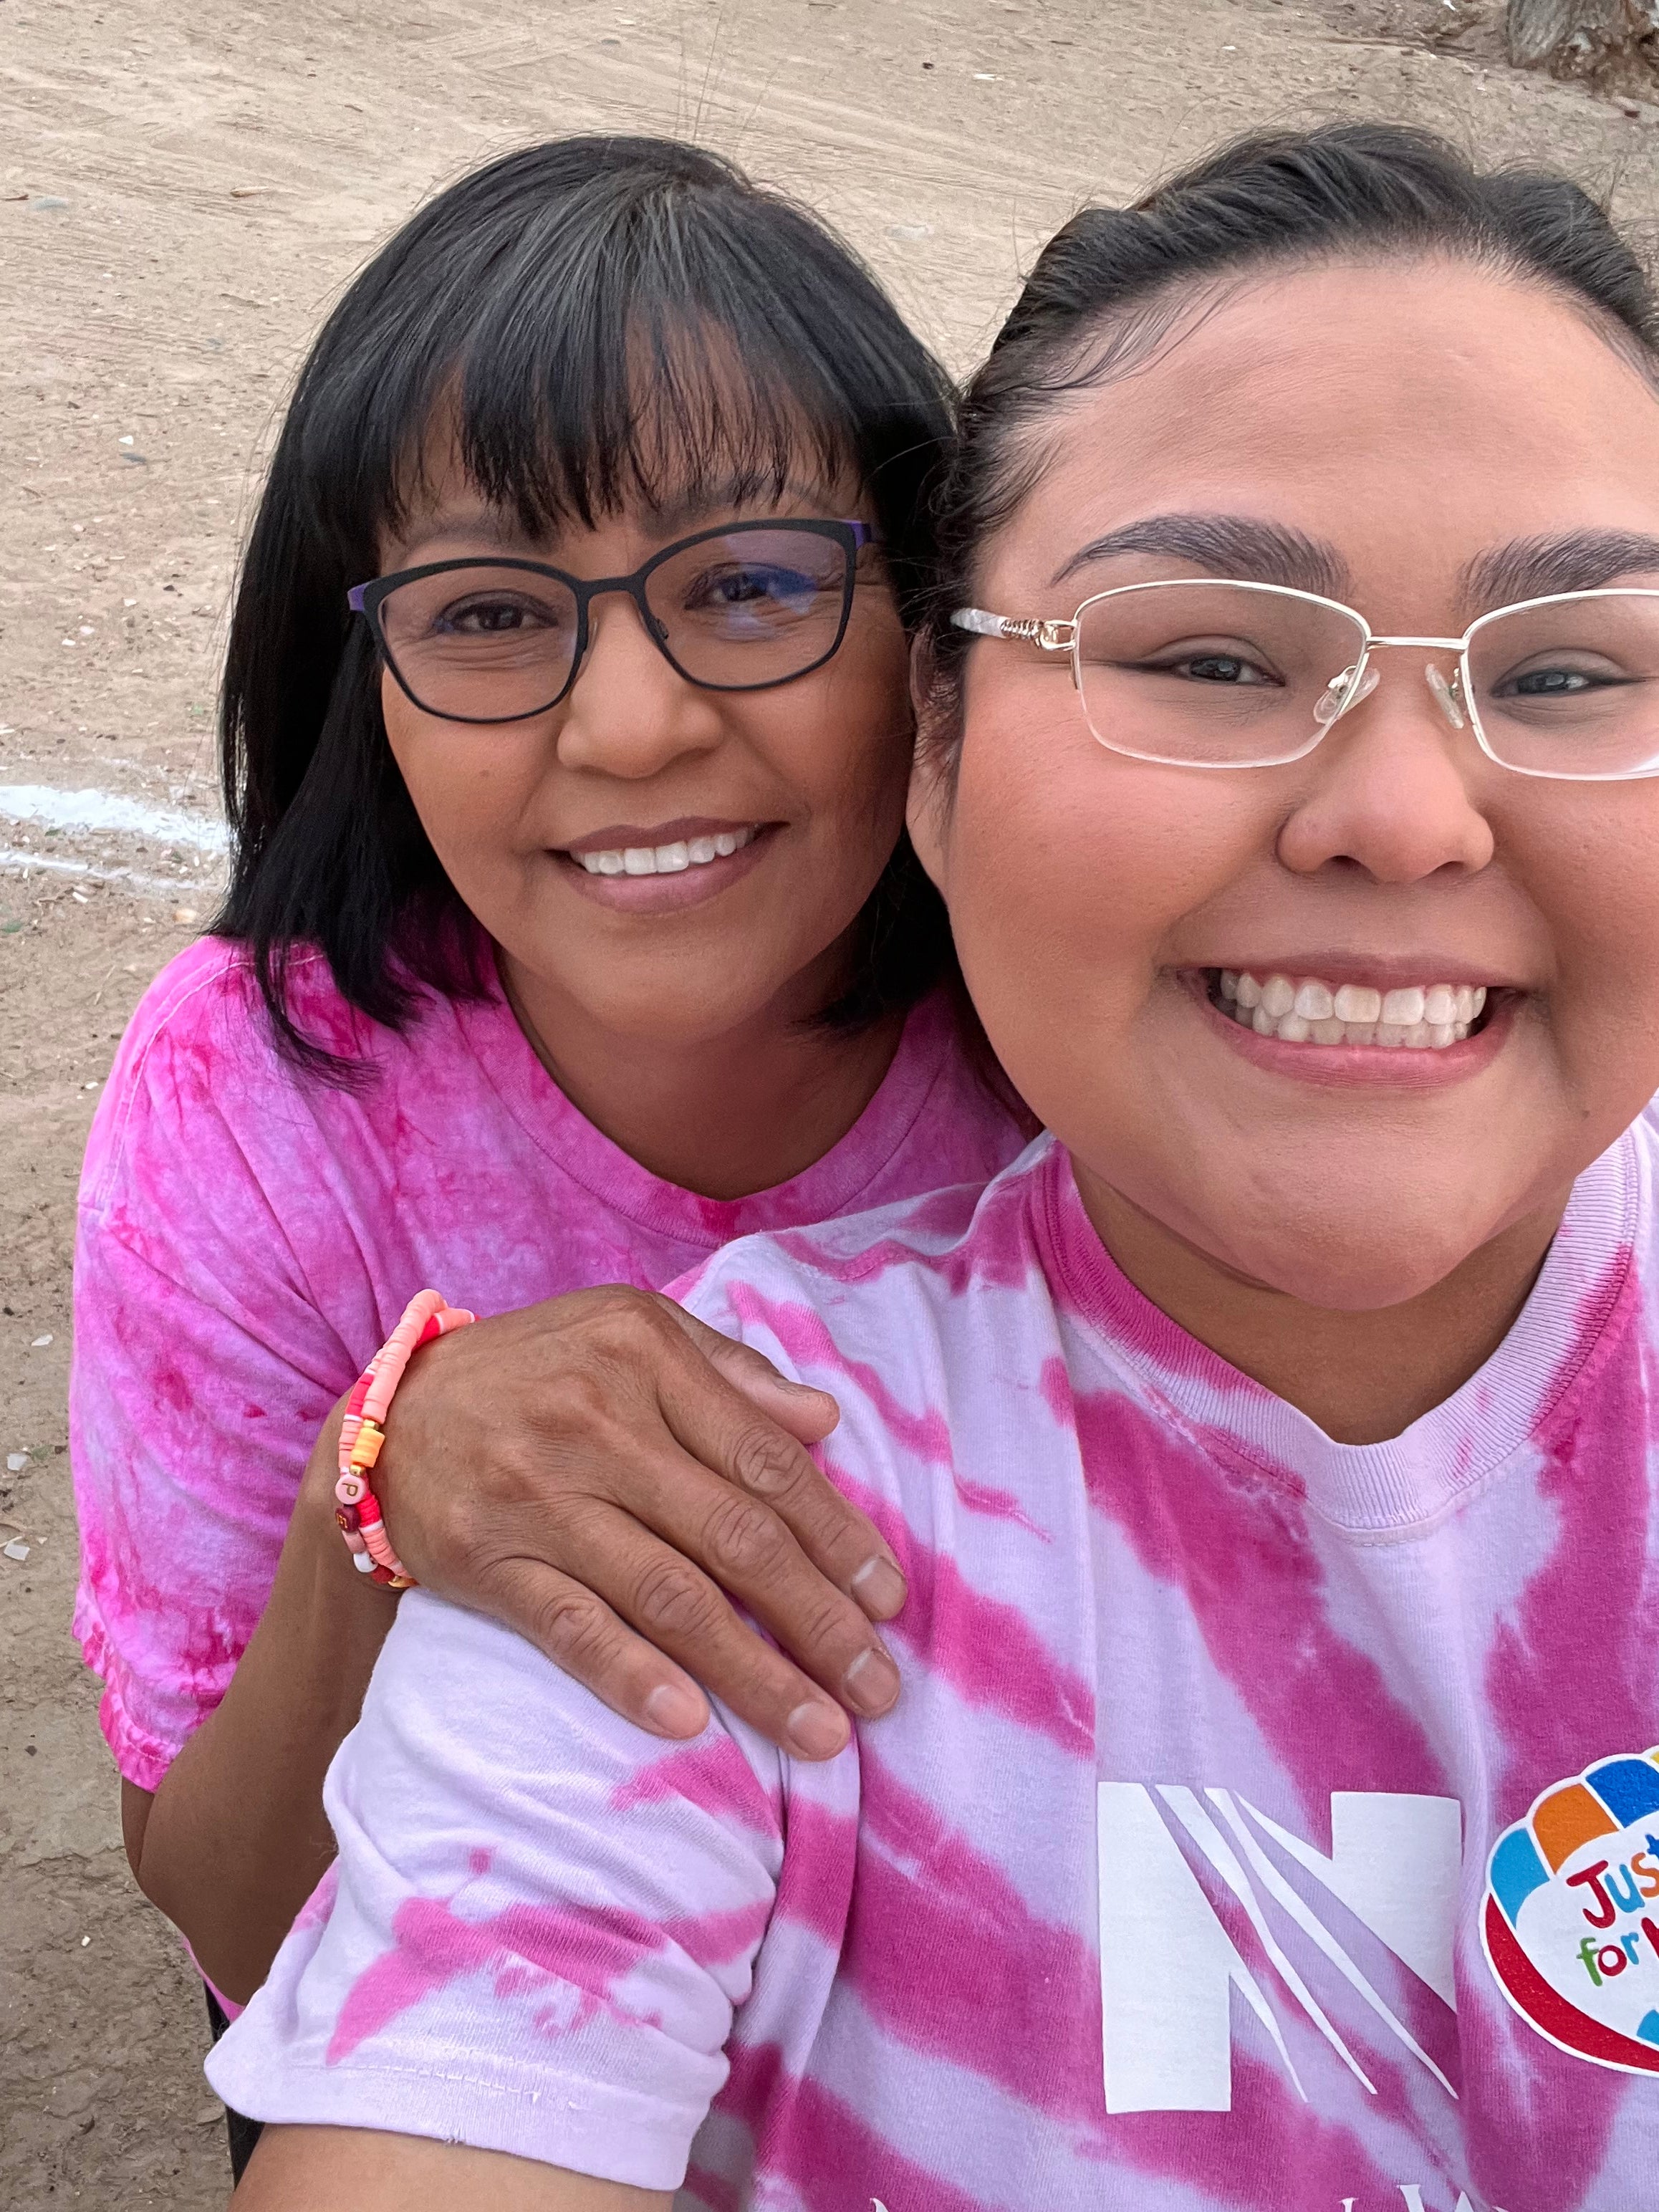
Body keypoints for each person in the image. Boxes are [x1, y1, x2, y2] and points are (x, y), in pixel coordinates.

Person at [213, 122, 1659, 2210]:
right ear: (941, 760)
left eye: (1567, 673)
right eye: (1208, 655)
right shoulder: (715, 1504)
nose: (1406, 820)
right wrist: (399, 1461)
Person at [69, 131, 1028, 2135]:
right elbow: (232, 1900)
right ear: (365, 681)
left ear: (932, 626)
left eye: (753, 584)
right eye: (494, 613)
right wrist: (388, 1490)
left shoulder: (1063, 1040)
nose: (626, 727)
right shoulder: (257, 1096)